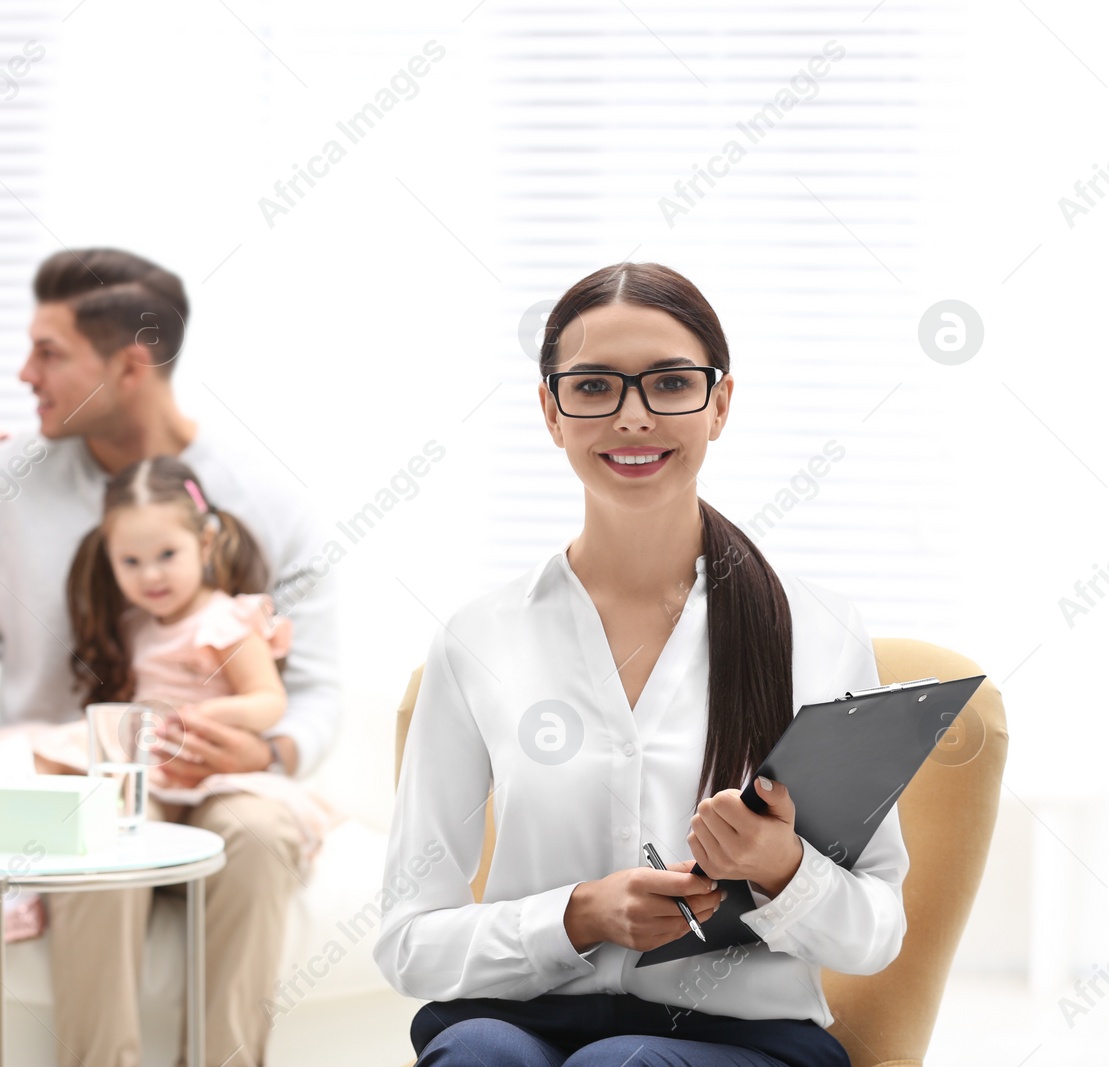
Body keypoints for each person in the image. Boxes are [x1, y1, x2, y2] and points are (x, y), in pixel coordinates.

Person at [374, 262, 908, 1067]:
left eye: (669, 383)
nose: (632, 417)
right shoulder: (478, 637)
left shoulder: (818, 630)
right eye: (594, 387)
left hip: (743, 1038)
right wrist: (577, 916)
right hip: (527, 1020)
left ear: (720, 403)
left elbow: (876, 930)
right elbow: (409, 941)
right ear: (552, 412)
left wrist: (782, 869)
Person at [0, 247, 341, 1067]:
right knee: (94, 830)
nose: (24, 373)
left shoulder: (270, 499)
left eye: (48, 353)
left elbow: (316, 694)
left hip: (227, 777)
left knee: (260, 837)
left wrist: (263, 745)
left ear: (130, 364)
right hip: (79, 778)